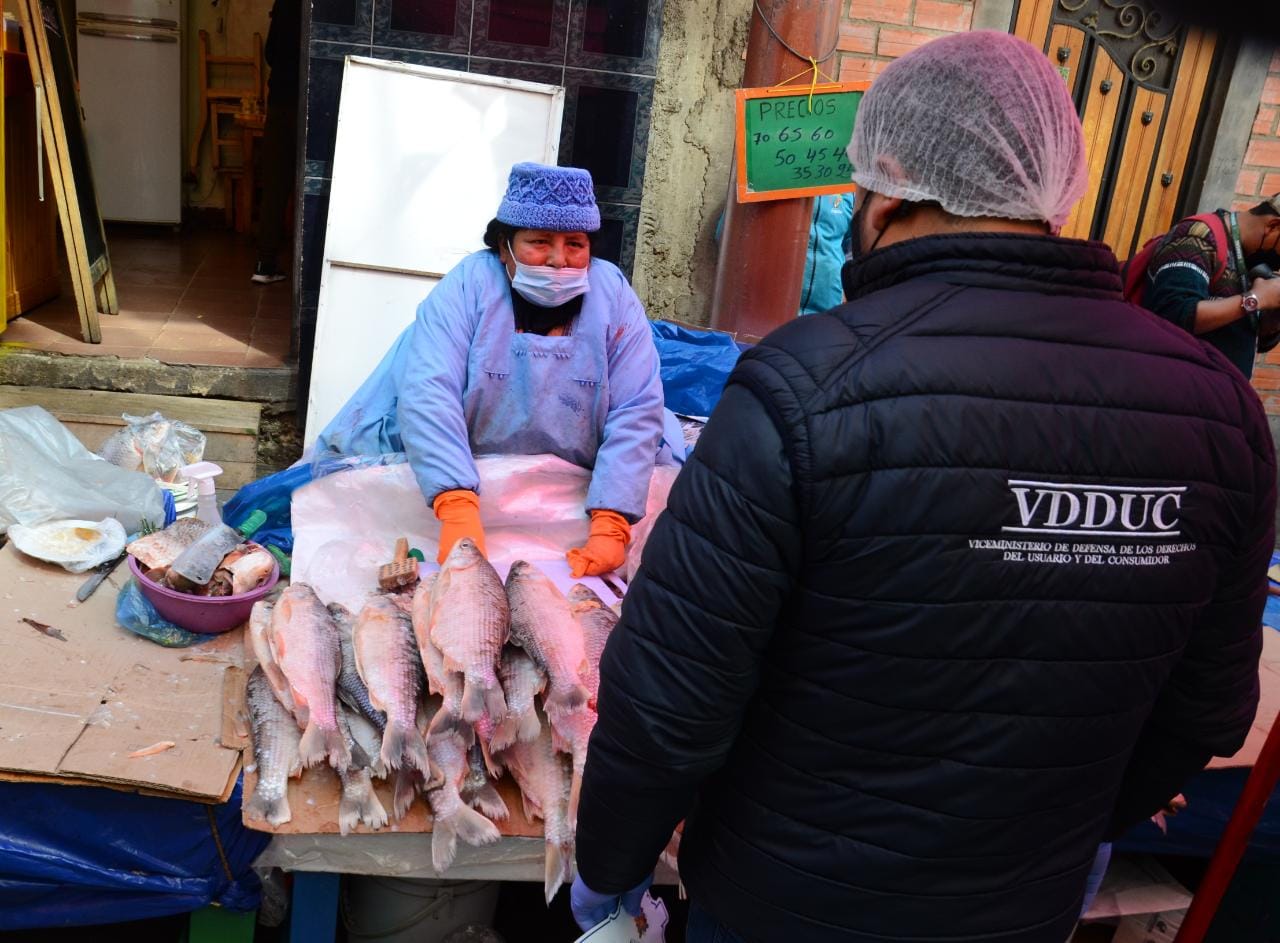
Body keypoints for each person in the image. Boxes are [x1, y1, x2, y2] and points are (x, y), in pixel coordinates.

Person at [571, 31, 1273, 943]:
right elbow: (1209, 711)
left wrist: (608, 872)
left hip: (783, 910)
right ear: (1051, 189)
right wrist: (1067, 831)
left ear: (889, 178)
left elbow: (666, 706)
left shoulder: (804, 388)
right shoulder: (1221, 409)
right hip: (1023, 912)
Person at [397, 163, 665, 577]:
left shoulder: (612, 293)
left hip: (580, 486)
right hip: (465, 469)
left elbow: (637, 406)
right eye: (539, 242)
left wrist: (612, 521)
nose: (559, 260)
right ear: (504, 247)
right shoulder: (468, 285)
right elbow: (430, 390)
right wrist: (455, 502)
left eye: (575, 244)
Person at [1126, 194, 1280, 378]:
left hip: (1212, 398)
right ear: (1273, 227)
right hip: (1169, 390)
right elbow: (1175, 313)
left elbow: (1240, 335)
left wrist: (1272, 318)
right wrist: (1256, 299)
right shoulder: (1198, 236)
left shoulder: (1251, 258)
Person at [715, 193, 856, 317]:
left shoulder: (846, 190)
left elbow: (854, 247)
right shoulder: (772, 177)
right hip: (767, 310)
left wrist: (845, 292)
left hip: (826, 311)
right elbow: (729, 234)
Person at [251, 0, 300, 284]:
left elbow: (271, 52)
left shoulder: (285, 3)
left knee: (275, 186)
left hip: (281, 98)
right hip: (316, 99)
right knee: (315, 184)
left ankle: (265, 262)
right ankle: (315, 268)